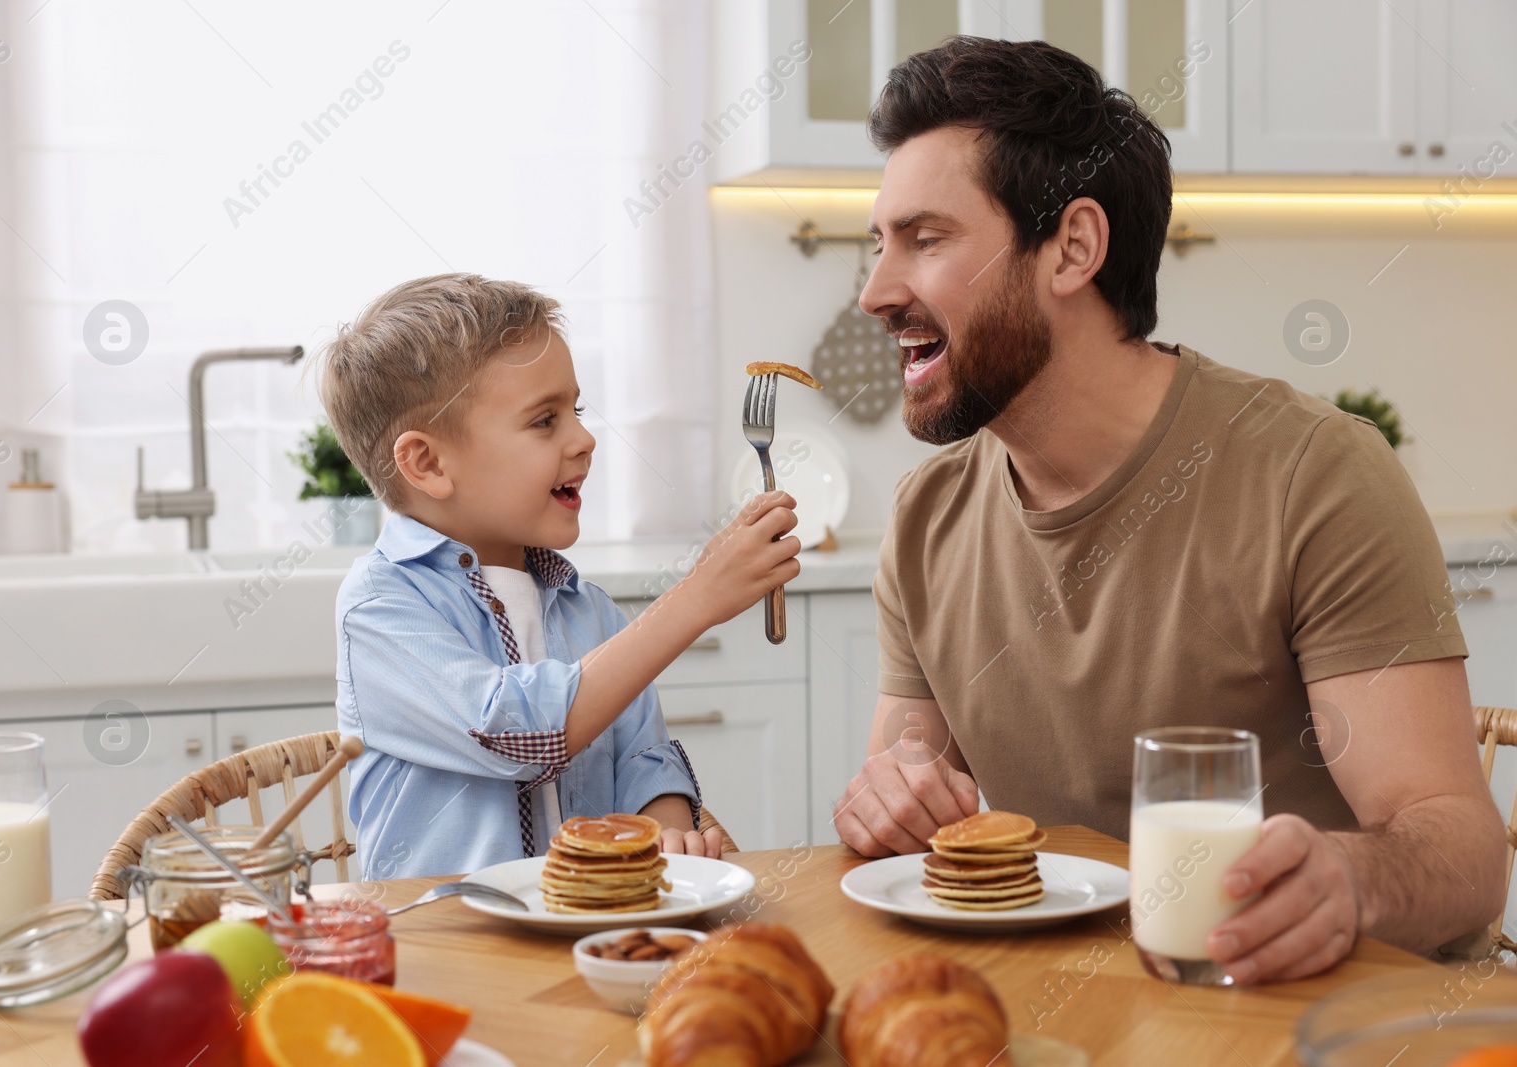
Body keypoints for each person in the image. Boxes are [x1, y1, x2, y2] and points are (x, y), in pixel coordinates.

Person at [831, 37, 1507, 981]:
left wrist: (1349, 875)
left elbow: (1465, 853)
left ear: (1073, 247)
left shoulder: (1313, 474)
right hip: (1086, 1009)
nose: (874, 292)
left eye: (925, 239)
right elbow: (906, 801)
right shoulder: (926, 520)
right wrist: (885, 802)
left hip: (1321, 1017)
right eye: (878, 245)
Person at [317, 274, 800, 878]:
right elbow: (517, 730)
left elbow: (644, 760)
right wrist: (696, 600)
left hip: (589, 929)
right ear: (429, 463)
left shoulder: (588, 610)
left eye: (574, 409)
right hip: (447, 948)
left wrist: (670, 830)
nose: (584, 438)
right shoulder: (381, 607)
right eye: (544, 421)